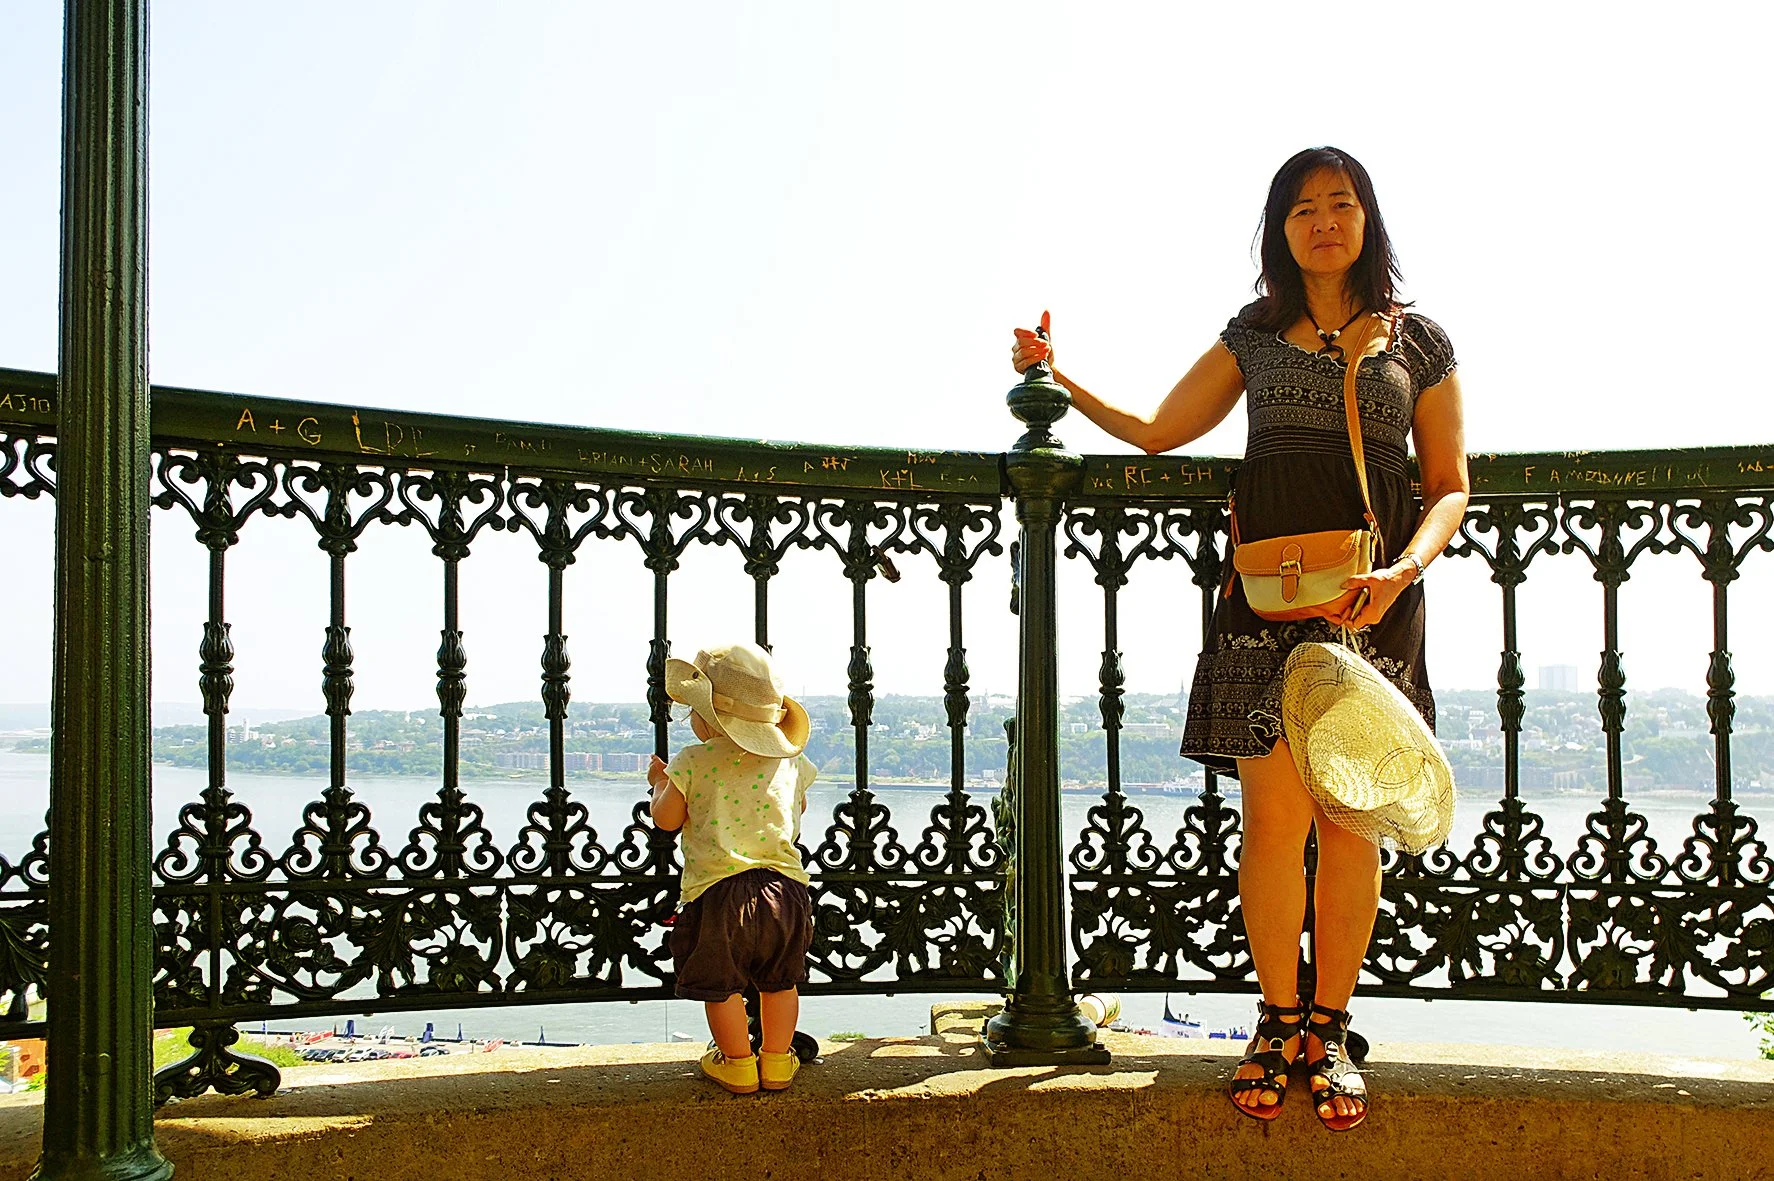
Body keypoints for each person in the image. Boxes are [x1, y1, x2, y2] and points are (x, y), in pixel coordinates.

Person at [1010, 146, 1469, 1130]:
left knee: (1352, 822)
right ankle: (1275, 1021)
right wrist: (1058, 376)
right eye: (1302, 207)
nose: (1323, 220)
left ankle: (1329, 1029)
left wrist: (1406, 569)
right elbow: (1156, 430)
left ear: (1367, 219)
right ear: (1279, 229)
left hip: (1369, 600)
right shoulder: (1254, 333)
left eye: (1340, 203)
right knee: (1274, 823)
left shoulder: (1418, 341)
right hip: (1263, 598)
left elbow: (1450, 483)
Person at [646, 642, 818, 1095]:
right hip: (785, 891)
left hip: (718, 892)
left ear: (708, 719)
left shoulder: (692, 761)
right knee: (780, 982)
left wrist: (660, 784)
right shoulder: (791, 761)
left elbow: (665, 819)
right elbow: (797, 807)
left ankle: (738, 1063)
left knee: (720, 987)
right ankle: (777, 1062)